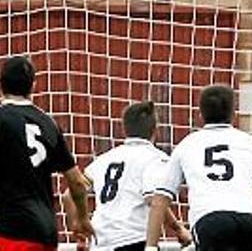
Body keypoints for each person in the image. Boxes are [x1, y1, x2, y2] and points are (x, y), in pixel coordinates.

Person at [146, 84, 252, 251]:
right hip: (251, 221)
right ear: (234, 113)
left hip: (211, 220)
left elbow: (160, 199)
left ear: (200, 115)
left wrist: (151, 246)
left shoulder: (188, 144)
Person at [61, 101, 192, 251]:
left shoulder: (105, 159)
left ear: (124, 129)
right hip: (131, 239)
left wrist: (77, 226)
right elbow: (155, 199)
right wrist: (178, 228)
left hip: (100, 242)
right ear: (155, 130)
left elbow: (68, 196)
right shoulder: (155, 158)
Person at [0, 55, 93, 249]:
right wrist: (82, 218)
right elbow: (77, 182)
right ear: (33, 85)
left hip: (10, 230)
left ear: (2, 85)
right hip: (45, 231)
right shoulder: (49, 123)